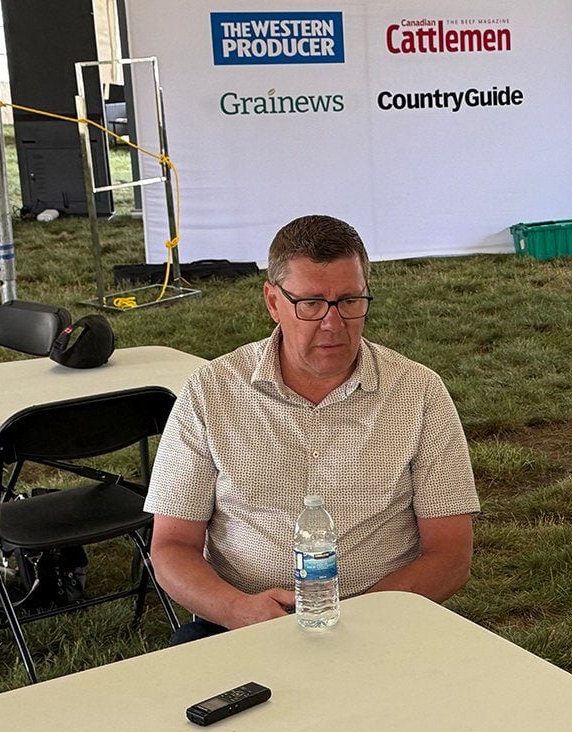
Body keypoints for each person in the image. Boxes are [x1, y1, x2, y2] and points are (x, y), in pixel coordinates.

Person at [145, 215, 480, 643]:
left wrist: (366, 619)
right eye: (311, 304)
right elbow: (171, 547)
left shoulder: (417, 391)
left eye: (350, 301)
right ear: (272, 301)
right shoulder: (212, 390)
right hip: (242, 619)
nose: (333, 324)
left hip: (387, 617)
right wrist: (238, 610)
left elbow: (451, 554)